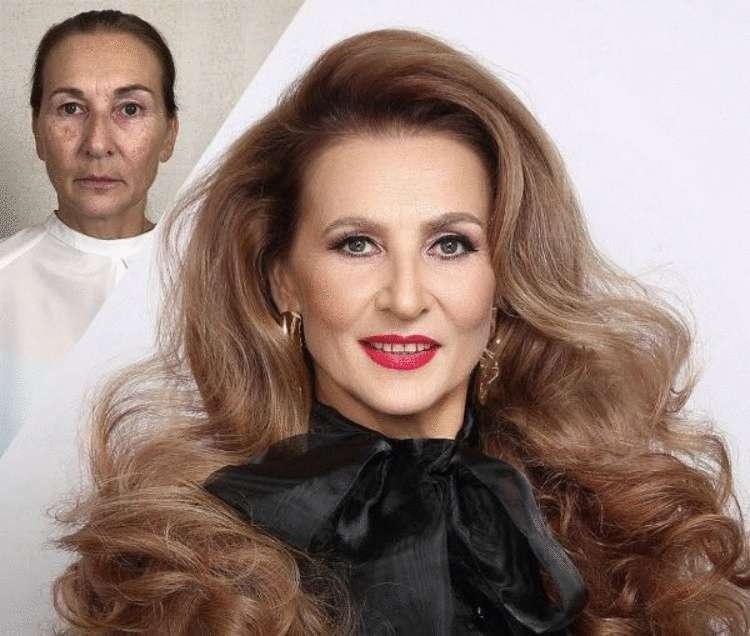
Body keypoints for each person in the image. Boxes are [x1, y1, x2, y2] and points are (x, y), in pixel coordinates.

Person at [53, 30, 749, 635]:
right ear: (283, 279)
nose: (407, 299)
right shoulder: (182, 559)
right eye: (357, 244)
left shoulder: (611, 532)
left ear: (505, 278)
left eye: (450, 244)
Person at [0, 10, 178, 453]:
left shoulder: (224, 286)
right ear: (38, 132)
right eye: (71, 109)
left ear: (169, 134)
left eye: (129, 109)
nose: (97, 143)